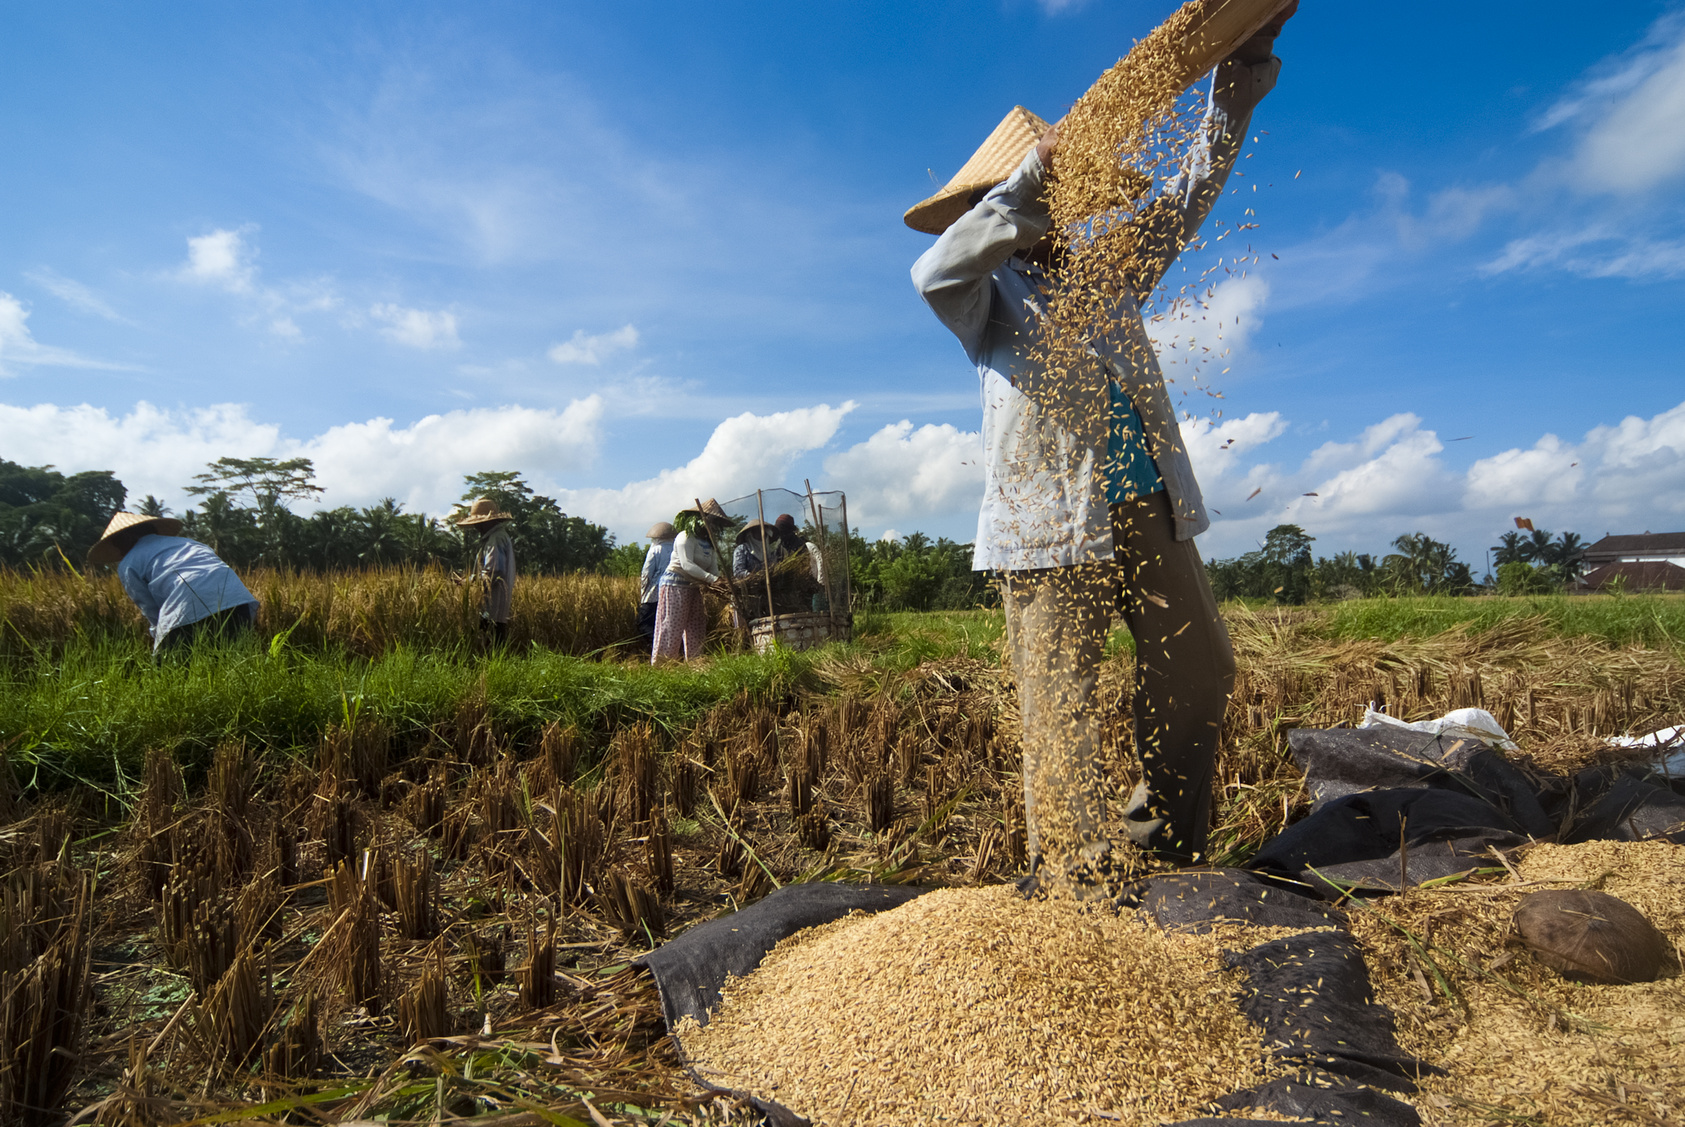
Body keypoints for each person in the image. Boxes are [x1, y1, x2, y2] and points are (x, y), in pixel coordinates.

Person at [908, 11, 1292, 883]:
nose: (1069, 203)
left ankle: (1160, 845)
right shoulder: (983, 291)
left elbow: (1192, 188)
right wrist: (1027, 186)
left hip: (1149, 505)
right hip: (1048, 527)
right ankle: (1077, 892)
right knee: (1062, 711)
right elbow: (930, 271)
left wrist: (1236, 83)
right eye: (1055, 187)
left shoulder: (1109, 269)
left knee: (1201, 671)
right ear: (1000, 201)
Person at [87, 511, 259, 654]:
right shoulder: (189, 543)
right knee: (233, 659)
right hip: (237, 601)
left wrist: (160, 638)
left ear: (122, 541)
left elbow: (152, 611)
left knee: (171, 670)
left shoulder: (129, 563)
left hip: (188, 606)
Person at [653, 498, 730, 663]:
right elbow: (687, 565)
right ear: (699, 519)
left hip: (695, 586)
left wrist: (720, 583)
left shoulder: (710, 544)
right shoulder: (685, 537)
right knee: (671, 626)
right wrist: (712, 579)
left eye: (715, 522)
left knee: (696, 625)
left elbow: (713, 568)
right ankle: (662, 666)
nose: (713, 525)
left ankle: (695, 664)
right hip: (675, 584)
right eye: (711, 520)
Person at [454, 497, 516, 645]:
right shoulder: (498, 537)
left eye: (478, 524)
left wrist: (468, 582)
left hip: (492, 608)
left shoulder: (495, 539)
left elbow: (493, 572)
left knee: (490, 649)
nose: (477, 528)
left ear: (486, 523)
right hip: (493, 608)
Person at [638, 521, 676, 655]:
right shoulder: (676, 549)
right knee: (667, 623)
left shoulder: (655, 550)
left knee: (645, 623)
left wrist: (643, 594)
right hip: (673, 592)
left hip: (654, 592)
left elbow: (646, 573)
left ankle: (654, 650)